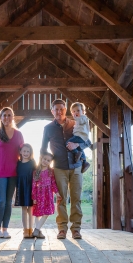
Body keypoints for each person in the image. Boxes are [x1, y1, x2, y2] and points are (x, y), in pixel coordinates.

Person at [41, 99, 89, 239]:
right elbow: (43, 148)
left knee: (76, 198)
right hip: (59, 167)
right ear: (52, 111)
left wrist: (77, 147)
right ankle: (62, 228)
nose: (59, 111)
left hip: (76, 166)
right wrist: (43, 166)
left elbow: (87, 142)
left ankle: (76, 229)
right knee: (61, 199)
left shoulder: (75, 123)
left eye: (61, 108)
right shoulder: (48, 128)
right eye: (56, 109)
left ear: (65, 109)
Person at [0, 107, 24, 238]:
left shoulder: (18, 134)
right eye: (4, 115)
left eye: (9, 115)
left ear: (12, 117)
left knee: (9, 202)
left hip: (14, 173)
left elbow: (23, 153)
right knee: (1, 201)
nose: (7, 118)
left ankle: (5, 229)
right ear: (0, 118)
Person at [31, 152, 62, 239]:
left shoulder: (51, 171)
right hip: (38, 195)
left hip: (48, 194)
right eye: (44, 159)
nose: (45, 161)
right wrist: (34, 197)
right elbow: (33, 185)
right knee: (37, 213)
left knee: (47, 212)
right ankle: (37, 231)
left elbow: (53, 183)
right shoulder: (36, 171)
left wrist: (57, 193)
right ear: (41, 158)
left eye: (48, 160)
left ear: (50, 162)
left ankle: (36, 229)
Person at [14, 143, 36, 238]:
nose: (26, 153)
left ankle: (31, 229)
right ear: (20, 152)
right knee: (23, 208)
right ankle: (25, 230)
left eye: (28, 151)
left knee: (31, 209)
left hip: (30, 187)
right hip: (21, 187)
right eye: (24, 151)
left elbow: (36, 175)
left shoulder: (32, 162)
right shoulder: (18, 163)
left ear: (30, 153)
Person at [66, 102, 92, 173]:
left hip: (80, 136)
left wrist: (77, 145)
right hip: (79, 136)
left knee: (67, 143)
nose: (76, 112)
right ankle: (84, 162)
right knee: (80, 150)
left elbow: (89, 143)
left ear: (83, 111)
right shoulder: (77, 121)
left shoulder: (83, 118)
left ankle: (76, 153)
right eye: (74, 111)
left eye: (78, 110)